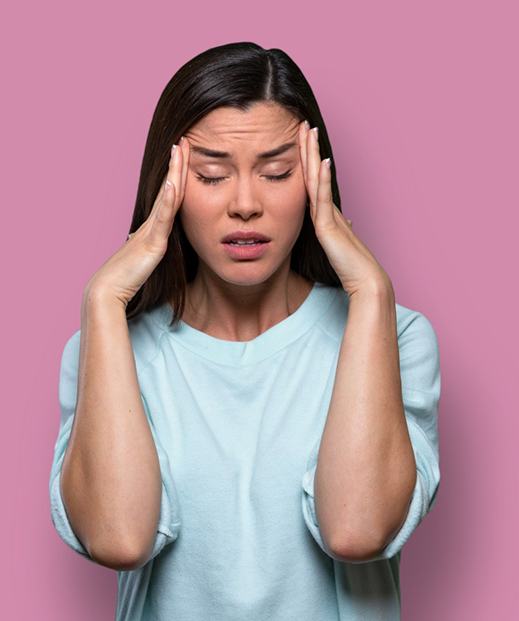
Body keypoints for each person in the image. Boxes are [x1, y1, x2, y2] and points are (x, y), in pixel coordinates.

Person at [49, 42, 441, 621]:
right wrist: (103, 301)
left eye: (278, 172)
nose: (245, 205)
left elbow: (357, 529)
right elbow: (120, 539)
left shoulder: (397, 336)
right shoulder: (106, 347)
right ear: (170, 186)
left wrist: (371, 292)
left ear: (315, 180)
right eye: (210, 175)